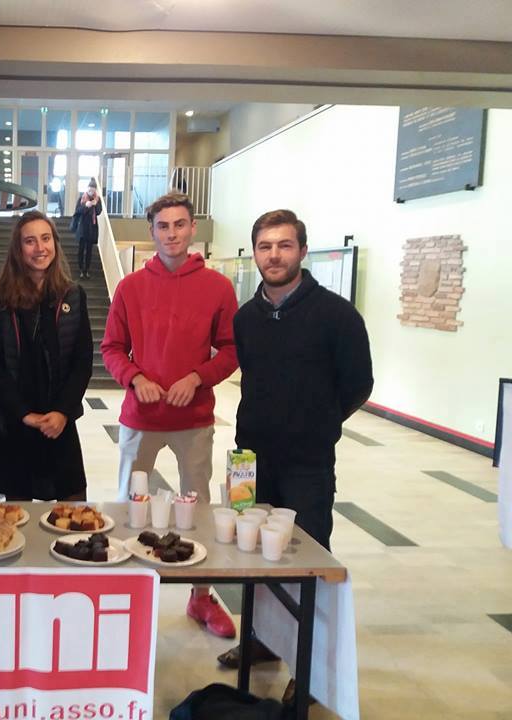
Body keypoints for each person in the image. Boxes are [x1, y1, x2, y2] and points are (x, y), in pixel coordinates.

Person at [217, 209, 373, 683]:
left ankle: (310, 677)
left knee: (307, 563)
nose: (274, 255)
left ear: (302, 251)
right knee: (250, 557)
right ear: (256, 253)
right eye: (265, 247)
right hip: (251, 460)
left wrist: (318, 422)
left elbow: (358, 384)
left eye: (284, 245)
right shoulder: (246, 318)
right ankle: (262, 641)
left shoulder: (337, 315)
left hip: (307, 464)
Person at [101, 192, 239, 638]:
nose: (172, 233)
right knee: (126, 505)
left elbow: (232, 349)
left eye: (180, 224)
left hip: (194, 416)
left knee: (196, 509)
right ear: (152, 231)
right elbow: (112, 348)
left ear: (192, 228)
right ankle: (122, 593)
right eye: (163, 226)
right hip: (140, 415)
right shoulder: (131, 287)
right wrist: (134, 377)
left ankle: (201, 596)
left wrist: (198, 377)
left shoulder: (218, 287)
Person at [0, 210, 93, 501]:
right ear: (18, 249)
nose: (40, 248)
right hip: (14, 421)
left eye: (45, 238)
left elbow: (83, 361)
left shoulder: (73, 296)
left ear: (55, 242)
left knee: (74, 508)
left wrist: (63, 412)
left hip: (59, 422)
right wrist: (24, 414)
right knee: (19, 514)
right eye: (30, 241)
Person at [72, 177, 103, 279]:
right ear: (87, 188)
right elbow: (77, 212)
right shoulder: (82, 199)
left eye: (93, 189)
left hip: (92, 229)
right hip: (82, 228)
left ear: (95, 190)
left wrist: (95, 204)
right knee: (81, 250)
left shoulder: (97, 200)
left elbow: (98, 212)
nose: (91, 191)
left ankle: (87, 270)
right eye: (90, 189)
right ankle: (81, 269)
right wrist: (86, 206)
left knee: (89, 250)